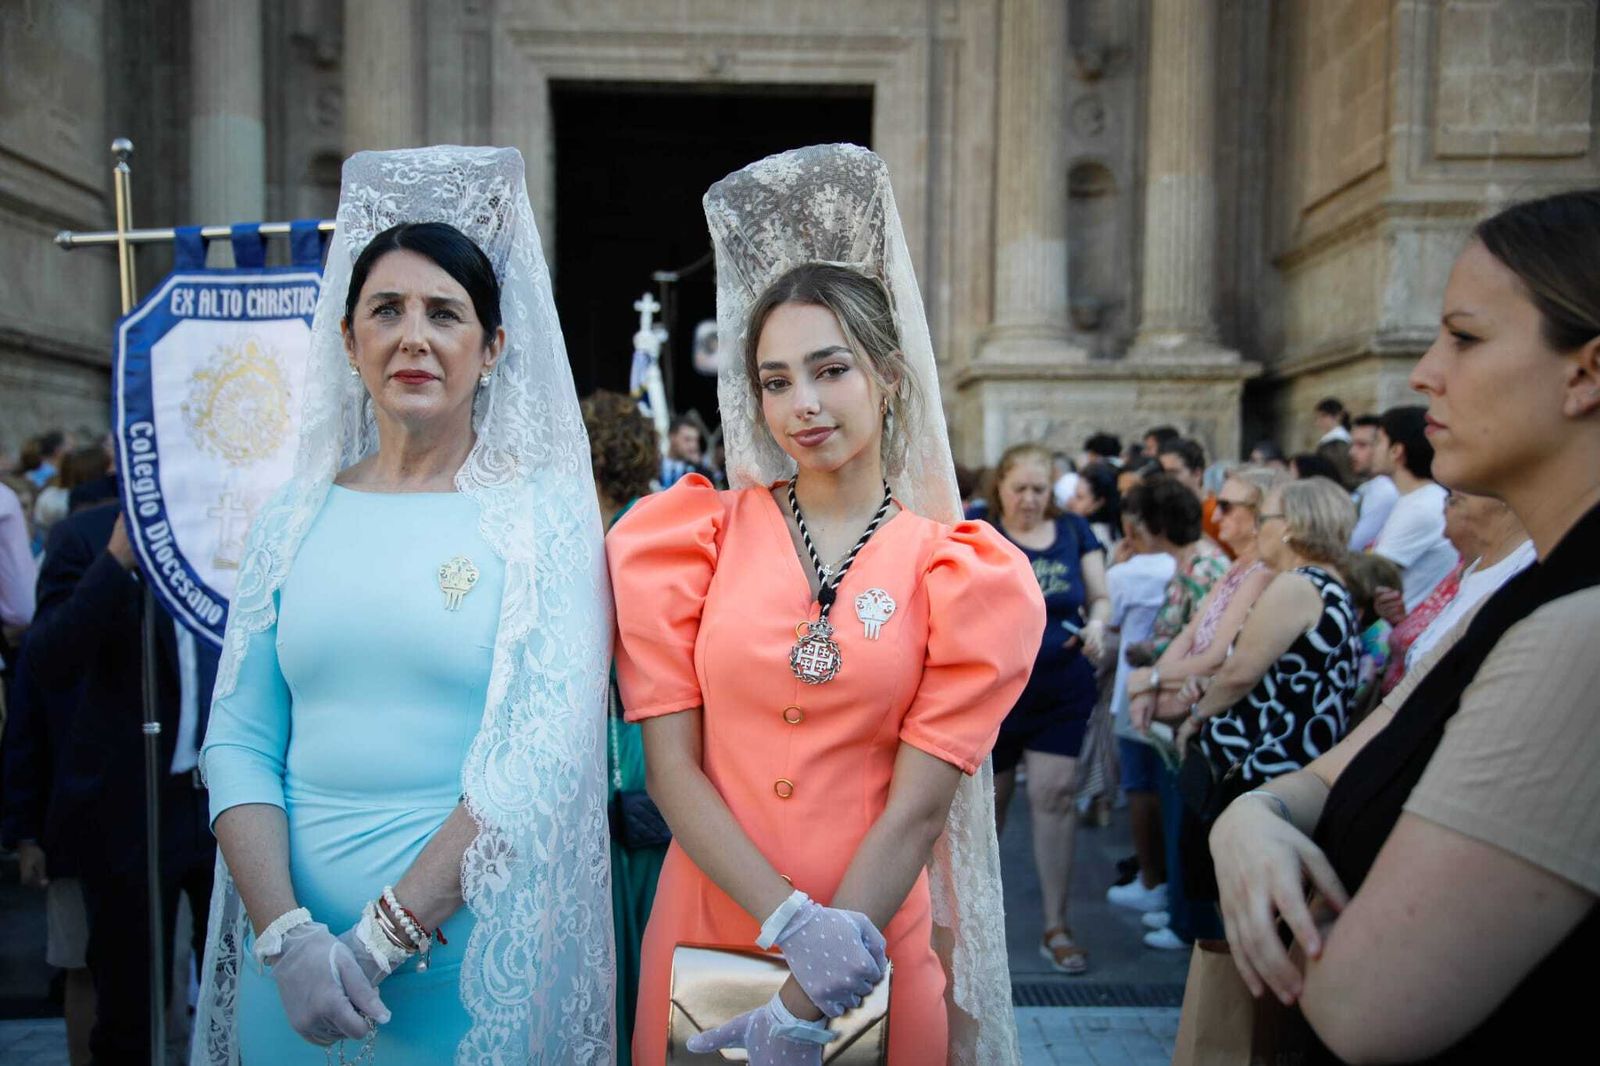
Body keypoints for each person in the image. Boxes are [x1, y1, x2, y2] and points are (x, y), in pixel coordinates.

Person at [610, 145, 1041, 1066]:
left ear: (889, 376)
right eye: (774, 380)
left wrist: (811, 990)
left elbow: (918, 813)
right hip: (706, 926)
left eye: (830, 369)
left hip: (868, 945)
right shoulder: (693, 538)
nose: (803, 402)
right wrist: (788, 921)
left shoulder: (957, 572)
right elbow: (671, 769)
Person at [194, 148, 614, 1064]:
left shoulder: (540, 524)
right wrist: (287, 938)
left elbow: (539, 759)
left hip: (456, 971)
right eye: (386, 310)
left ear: (494, 347)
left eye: (445, 314)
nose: (413, 337)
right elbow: (239, 739)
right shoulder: (290, 520)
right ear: (348, 341)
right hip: (296, 981)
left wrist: (379, 943)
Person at [1205, 188, 1600, 1064]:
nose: (1425, 372)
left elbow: (1367, 1006)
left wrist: (1260, 846)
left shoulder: (1580, 632)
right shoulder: (1527, 592)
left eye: (1464, 337)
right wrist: (1253, 819)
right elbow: (1331, 771)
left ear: (1586, 372)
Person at [23, 501, 219, 1062]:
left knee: (241, 990)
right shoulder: (85, 534)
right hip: (130, 809)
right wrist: (115, 561)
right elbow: (49, 661)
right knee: (129, 1006)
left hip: (233, 799)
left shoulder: (240, 525)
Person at [1124, 467, 1286, 948]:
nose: (1218, 512)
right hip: (1193, 711)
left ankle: (1199, 931)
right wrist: (1147, 687)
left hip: (1227, 724)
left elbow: (1217, 656)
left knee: (1204, 833)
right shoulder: (1235, 566)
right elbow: (1191, 633)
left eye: (1231, 506)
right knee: (1186, 824)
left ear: (1261, 518)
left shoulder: (1257, 573)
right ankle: (1188, 921)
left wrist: (1149, 680)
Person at [988, 443, 1110, 976]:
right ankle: (975, 927)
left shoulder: (1075, 532)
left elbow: (1099, 598)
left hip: (1061, 684)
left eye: (1040, 490)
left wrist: (1099, 625)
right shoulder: (979, 529)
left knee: (1055, 796)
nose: (1030, 500)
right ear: (1001, 489)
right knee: (989, 805)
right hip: (993, 692)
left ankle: (1056, 925)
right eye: (1021, 489)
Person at [582, 388, 668, 1065]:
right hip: (644, 741)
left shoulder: (622, 535)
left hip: (625, 744)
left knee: (621, 925)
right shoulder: (652, 522)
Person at [1375, 489, 1534, 695]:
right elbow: (1430, 635)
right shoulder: (1461, 570)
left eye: (1454, 501)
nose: (1444, 508)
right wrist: (1399, 620)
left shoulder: (1504, 575)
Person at [1370, 405, 1459, 610]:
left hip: (1407, 632)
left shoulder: (1422, 506)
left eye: (1377, 441)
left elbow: (1370, 577)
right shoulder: (1414, 499)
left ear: (1396, 451)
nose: (1372, 450)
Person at [1346, 414, 1397, 550]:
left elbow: (1353, 545)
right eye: (1352, 445)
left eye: (1362, 445)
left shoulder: (1385, 491)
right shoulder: (1368, 487)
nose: (1352, 452)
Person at [1067, 460, 1122, 549]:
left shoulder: (1094, 537)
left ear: (1098, 503)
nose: (1070, 502)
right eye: (1073, 494)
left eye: (1079, 497)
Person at [660, 413, 709, 488]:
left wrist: (699, 467)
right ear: (672, 437)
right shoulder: (655, 466)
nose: (694, 446)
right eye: (687, 439)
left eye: (696, 440)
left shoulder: (697, 470)